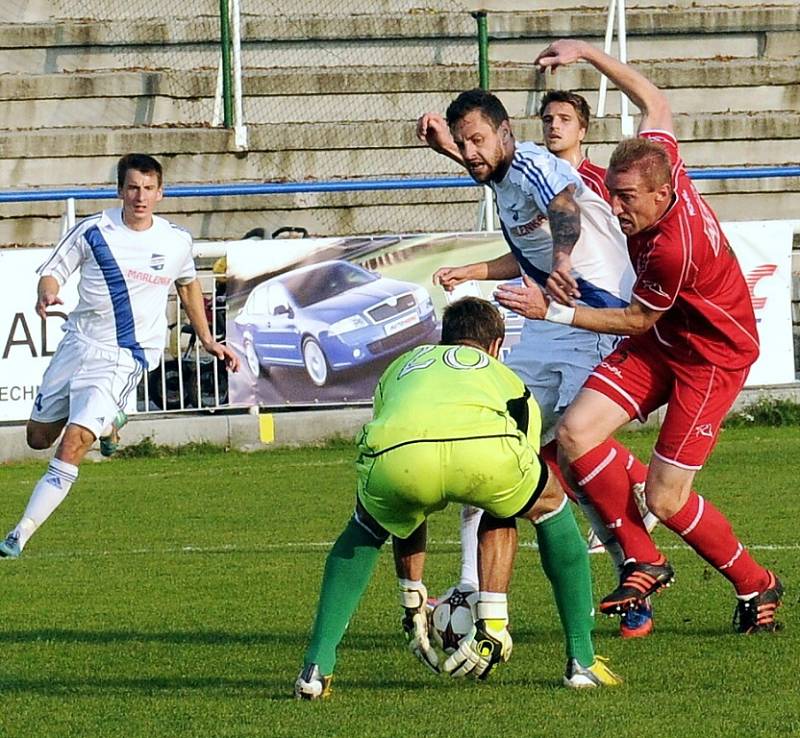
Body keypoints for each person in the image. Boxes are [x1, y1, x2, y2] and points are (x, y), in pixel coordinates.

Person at [495, 38, 783, 634]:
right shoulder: (660, 161)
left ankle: (757, 584)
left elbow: (632, 321)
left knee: (666, 499)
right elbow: (653, 100)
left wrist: (550, 311)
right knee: (574, 434)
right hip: (665, 340)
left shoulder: (673, 249)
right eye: (615, 195)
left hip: (710, 358)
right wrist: (589, 54)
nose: (618, 209)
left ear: (659, 195)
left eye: (626, 200)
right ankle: (642, 559)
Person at [295, 297, 622, 700]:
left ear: (441, 341)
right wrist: (493, 612)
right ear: (496, 346)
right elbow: (513, 475)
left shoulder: (404, 366)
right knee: (545, 504)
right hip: (488, 457)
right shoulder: (504, 375)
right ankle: (577, 660)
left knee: (370, 524)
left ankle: (316, 667)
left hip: (400, 459)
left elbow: (406, 509)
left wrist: (413, 602)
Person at [416, 89, 656, 637]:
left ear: (505, 132)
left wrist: (566, 259)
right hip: (547, 330)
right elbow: (519, 227)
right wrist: (449, 152)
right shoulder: (502, 176)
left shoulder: (534, 164)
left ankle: (634, 568)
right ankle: (470, 588)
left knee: (578, 460)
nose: (472, 151)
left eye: (478, 139)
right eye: (465, 142)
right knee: (488, 443)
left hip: (591, 323)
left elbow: (563, 207)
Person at [0, 153, 240, 559]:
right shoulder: (93, 231)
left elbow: (187, 286)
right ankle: (111, 425)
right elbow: (52, 270)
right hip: (78, 344)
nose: (140, 197)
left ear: (160, 193)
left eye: (148, 189)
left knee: (73, 443)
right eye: (132, 188)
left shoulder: (175, 240)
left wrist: (208, 338)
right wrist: (47, 292)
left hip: (124, 357)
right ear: (120, 191)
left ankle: (19, 533)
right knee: (38, 438)